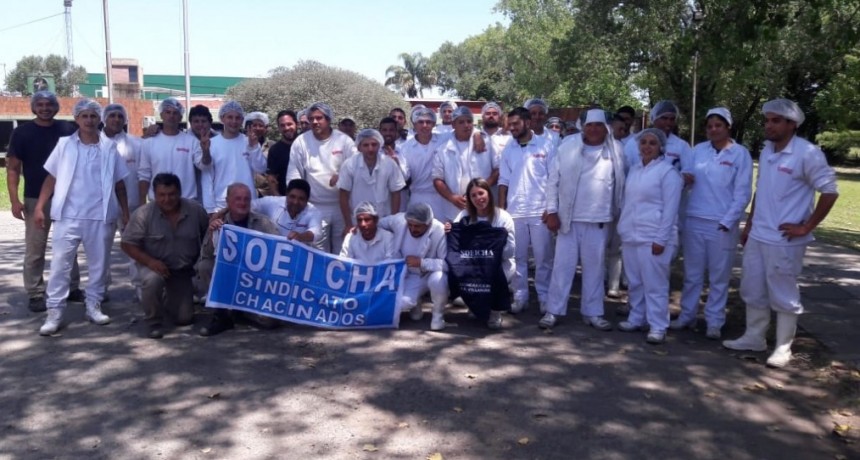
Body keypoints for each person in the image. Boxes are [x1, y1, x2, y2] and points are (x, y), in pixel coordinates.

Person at [723, 99, 839, 368]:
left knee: (783, 292)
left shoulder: (807, 153)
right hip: (759, 234)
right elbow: (761, 190)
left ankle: (783, 348)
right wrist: (749, 225)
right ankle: (754, 337)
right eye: (767, 120)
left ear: (792, 124)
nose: (769, 125)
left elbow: (830, 191)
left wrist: (806, 226)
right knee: (752, 288)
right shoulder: (767, 151)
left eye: (775, 121)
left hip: (786, 239)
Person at [35, 99, 131, 336]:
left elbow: (119, 184)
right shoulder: (65, 145)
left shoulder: (109, 148)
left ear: (99, 119)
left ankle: (93, 305)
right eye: (84, 116)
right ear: (77, 118)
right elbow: (51, 178)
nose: (89, 120)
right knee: (60, 265)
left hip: (100, 215)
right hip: (68, 215)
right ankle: (54, 312)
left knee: (99, 265)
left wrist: (126, 213)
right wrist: (39, 207)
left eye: (93, 116)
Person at [539, 109, 626, 331]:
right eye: (589, 125)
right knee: (562, 268)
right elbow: (553, 181)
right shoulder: (567, 145)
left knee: (595, 269)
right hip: (569, 218)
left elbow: (621, 184)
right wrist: (551, 211)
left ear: (605, 127)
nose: (594, 129)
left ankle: (593, 312)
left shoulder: (615, 149)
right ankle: (553, 311)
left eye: (598, 125)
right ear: (582, 126)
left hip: (599, 219)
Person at [672, 108, 753, 339]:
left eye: (718, 125)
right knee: (692, 274)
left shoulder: (740, 154)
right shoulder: (697, 151)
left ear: (728, 127)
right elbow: (684, 178)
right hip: (694, 219)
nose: (714, 130)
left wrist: (728, 221)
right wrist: (685, 179)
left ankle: (714, 321)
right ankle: (687, 315)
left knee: (719, 276)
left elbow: (743, 192)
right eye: (709, 126)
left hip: (721, 224)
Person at [6, 90, 83, 312]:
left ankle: (73, 287)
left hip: (68, 197)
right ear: (33, 107)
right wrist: (14, 199)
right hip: (33, 198)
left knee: (69, 245)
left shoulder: (68, 130)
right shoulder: (22, 133)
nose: (45, 108)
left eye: (49, 104)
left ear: (56, 107)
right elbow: (12, 169)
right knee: (35, 247)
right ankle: (35, 292)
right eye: (39, 104)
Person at [121, 173, 210, 339]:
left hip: (183, 271)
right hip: (154, 267)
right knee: (152, 280)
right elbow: (126, 244)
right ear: (154, 195)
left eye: (171, 194)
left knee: (184, 319)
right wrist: (150, 261)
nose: (167, 199)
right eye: (162, 195)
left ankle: (169, 298)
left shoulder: (196, 211)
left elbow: (207, 236)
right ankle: (153, 322)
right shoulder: (143, 214)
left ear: (180, 192)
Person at [616, 129, 683, 344]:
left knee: (655, 284)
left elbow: (671, 210)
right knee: (635, 282)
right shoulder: (635, 170)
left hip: (654, 236)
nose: (647, 146)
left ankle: (658, 325)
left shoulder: (667, 173)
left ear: (661, 147)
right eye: (643, 142)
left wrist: (661, 239)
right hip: (631, 235)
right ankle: (637, 318)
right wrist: (623, 229)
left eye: (652, 143)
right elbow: (628, 203)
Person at [196, 183, 281, 337]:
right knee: (205, 266)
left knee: (270, 322)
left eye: (246, 199)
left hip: (254, 283)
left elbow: (280, 251)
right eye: (238, 199)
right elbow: (205, 255)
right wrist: (212, 232)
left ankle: (240, 310)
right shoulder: (219, 224)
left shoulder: (263, 223)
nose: (242, 203)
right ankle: (221, 314)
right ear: (228, 201)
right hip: (228, 278)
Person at [498, 107, 554, 314]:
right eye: (509, 124)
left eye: (515, 124)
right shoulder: (508, 149)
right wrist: (502, 210)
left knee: (543, 258)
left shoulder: (546, 145)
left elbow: (554, 179)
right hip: (515, 211)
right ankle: (520, 297)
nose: (511, 128)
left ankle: (545, 297)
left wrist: (552, 208)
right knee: (517, 257)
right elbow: (503, 181)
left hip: (541, 211)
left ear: (527, 123)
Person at [287, 102, 357, 254]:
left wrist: (342, 176)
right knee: (317, 251)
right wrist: (298, 204)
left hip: (342, 207)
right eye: (311, 119)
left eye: (319, 118)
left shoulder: (344, 141)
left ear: (329, 119)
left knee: (343, 250)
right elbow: (293, 175)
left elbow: (357, 169)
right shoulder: (301, 142)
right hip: (314, 207)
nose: (314, 122)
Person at [452, 179, 515, 329]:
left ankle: (494, 311)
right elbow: (455, 242)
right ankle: (475, 305)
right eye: (473, 195)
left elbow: (510, 250)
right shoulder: (463, 215)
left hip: (498, 264)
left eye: (481, 193)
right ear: (469, 198)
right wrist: (449, 230)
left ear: (489, 193)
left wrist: (491, 251)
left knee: (494, 276)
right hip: (472, 263)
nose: (478, 198)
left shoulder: (503, 217)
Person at [378, 203, 448, 330]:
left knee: (439, 279)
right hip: (409, 274)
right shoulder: (399, 221)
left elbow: (447, 264)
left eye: (417, 226)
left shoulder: (440, 230)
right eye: (410, 224)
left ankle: (438, 314)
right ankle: (416, 303)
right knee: (401, 304)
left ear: (428, 223)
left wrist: (422, 263)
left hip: (429, 274)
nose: (412, 229)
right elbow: (378, 223)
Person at [102, 103, 144, 299]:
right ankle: (100, 289)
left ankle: (140, 286)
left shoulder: (136, 144)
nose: (116, 119)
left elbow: (145, 172)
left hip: (133, 205)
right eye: (112, 116)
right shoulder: (95, 143)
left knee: (136, 248)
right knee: (100, 250)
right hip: (102, 207)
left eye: (120, 116)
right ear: (104, 118)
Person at [433, 106, 499, 223]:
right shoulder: (443, 149)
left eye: (469, 121)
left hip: (483, 204)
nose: (466, 125)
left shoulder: (487, 142)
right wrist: (452, 197)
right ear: (453, 125)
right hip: (455, 207)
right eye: (461, 122)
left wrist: (482, 189)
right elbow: (437, 179)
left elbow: (498, 169)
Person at [200, 101, 267, 214]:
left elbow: (261, 168)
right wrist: (210, 209)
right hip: (221, 206)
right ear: (222, 118)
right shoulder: (211, 144)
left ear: (242, 120)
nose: (234, 121)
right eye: (230, 117)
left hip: (248, 204)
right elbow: (207, 178)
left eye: (237, 118)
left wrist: (254, 146)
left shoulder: (250, 142)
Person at [138, 98, 209, 204]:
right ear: (161, 115)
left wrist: (206, 151)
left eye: (175, 113)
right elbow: (144, 174)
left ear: (180, 117)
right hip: (158, 203)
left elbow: (204, 166)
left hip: (186, 202)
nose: (171, 116)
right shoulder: (148, 143)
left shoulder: (191, 142)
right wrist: (142, 203)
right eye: (168, 112)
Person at [338, 128, 406, 230]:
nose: (370, 149)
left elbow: (396, 193)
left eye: (374, 144)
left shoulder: (389, 164)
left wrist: (393, 220)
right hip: (358, 220)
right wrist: (348, 224)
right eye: (366, 145)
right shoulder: (350, 164)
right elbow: (343, 194)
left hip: (384, 219)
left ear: (379, 145)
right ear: (359, 147)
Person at [400, 107, 447, 219]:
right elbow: (405, 176)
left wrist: (477, 135)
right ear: (414, 124)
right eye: (420, 122)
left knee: (440, 232)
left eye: (428, 122)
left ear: (434, 124)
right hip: (417, 196)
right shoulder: (405, 148)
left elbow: (463, 130)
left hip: (440, 197)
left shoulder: (443, 139)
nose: (424, 125)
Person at [250, 179, 323, 247]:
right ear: (287, 195)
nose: (296, 202)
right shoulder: (274, 202)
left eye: (301, 199)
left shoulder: (313, 212)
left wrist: (300, 237)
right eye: (292, 197)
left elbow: (316, 232)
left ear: (307, 200)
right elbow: (252, 205)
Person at [378, 117, 410, 212]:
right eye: (384, 130)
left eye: (391, 130)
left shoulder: (404, 151)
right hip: (378, 202)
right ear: (380, 132)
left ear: (396, 132)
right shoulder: (373, 151)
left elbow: (406, 179)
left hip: (400, 203)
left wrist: (397, 164)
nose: (388, 133)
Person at [267, 110, 298, 196]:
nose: (286, 128)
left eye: (289, 124)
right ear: (279, 128)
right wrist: (278, 198)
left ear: (297, 124)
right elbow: (271, 177)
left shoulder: (305, 144)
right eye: (282, 125)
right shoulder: (275, 150)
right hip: (286, 199)